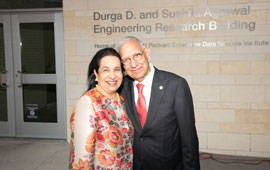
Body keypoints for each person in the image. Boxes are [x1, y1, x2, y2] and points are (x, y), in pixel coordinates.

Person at [118, 36, 200, 170]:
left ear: (147, 53)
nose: (133, 64)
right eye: (126, 60)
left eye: (137, 55)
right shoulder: (122, 88)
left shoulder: (176, 85)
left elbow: (188, 139)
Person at [69, 48, 134, 170]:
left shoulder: (121, 100)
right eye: (106, 70)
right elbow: (82, 160)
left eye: (117, 70)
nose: (113, 76)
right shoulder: (88, 102)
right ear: (96, 74)